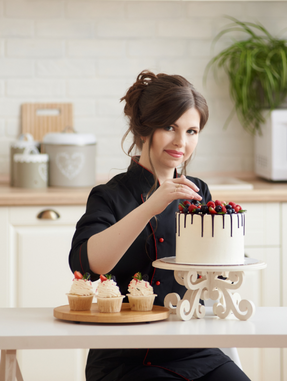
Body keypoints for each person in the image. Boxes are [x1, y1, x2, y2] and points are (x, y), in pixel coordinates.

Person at [69, 70, 251, 381]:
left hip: (193, 349)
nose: (182, 142)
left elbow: (212, 269)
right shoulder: (109, 196)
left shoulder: (198, 194)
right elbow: (89, 264)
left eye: (192, 131)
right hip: (126, 358)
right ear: (143, 129)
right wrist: (152, 205)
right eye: (170, 127)